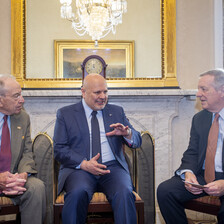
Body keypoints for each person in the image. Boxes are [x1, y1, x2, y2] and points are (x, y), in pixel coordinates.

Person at [53, 73, 142, 224]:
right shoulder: (66, 114)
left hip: (112, 168)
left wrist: (127, 133)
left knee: (124, 193)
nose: (103, 96)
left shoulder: (117, 111)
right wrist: (84, 164)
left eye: (105, 92)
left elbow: (138, 141)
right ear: (83, 92)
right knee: (76, 194)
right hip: (80, 169)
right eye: (97, 92)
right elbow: (59, 149)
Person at [157, 68, 224, 224]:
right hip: (204, 175)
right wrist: (188, 173)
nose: (198, 94)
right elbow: (192, 153)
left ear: (222, 91)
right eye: (199, 89)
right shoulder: (199, 118)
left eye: (204, 89)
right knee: (165, 191)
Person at [0, 74, 46, 224]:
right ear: (1, 100)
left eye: (21, 94)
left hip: (14, 179)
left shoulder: (22, 118)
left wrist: (23, 175)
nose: (22, 100)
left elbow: (27, 152)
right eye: (16, 96)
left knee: (36, 187)